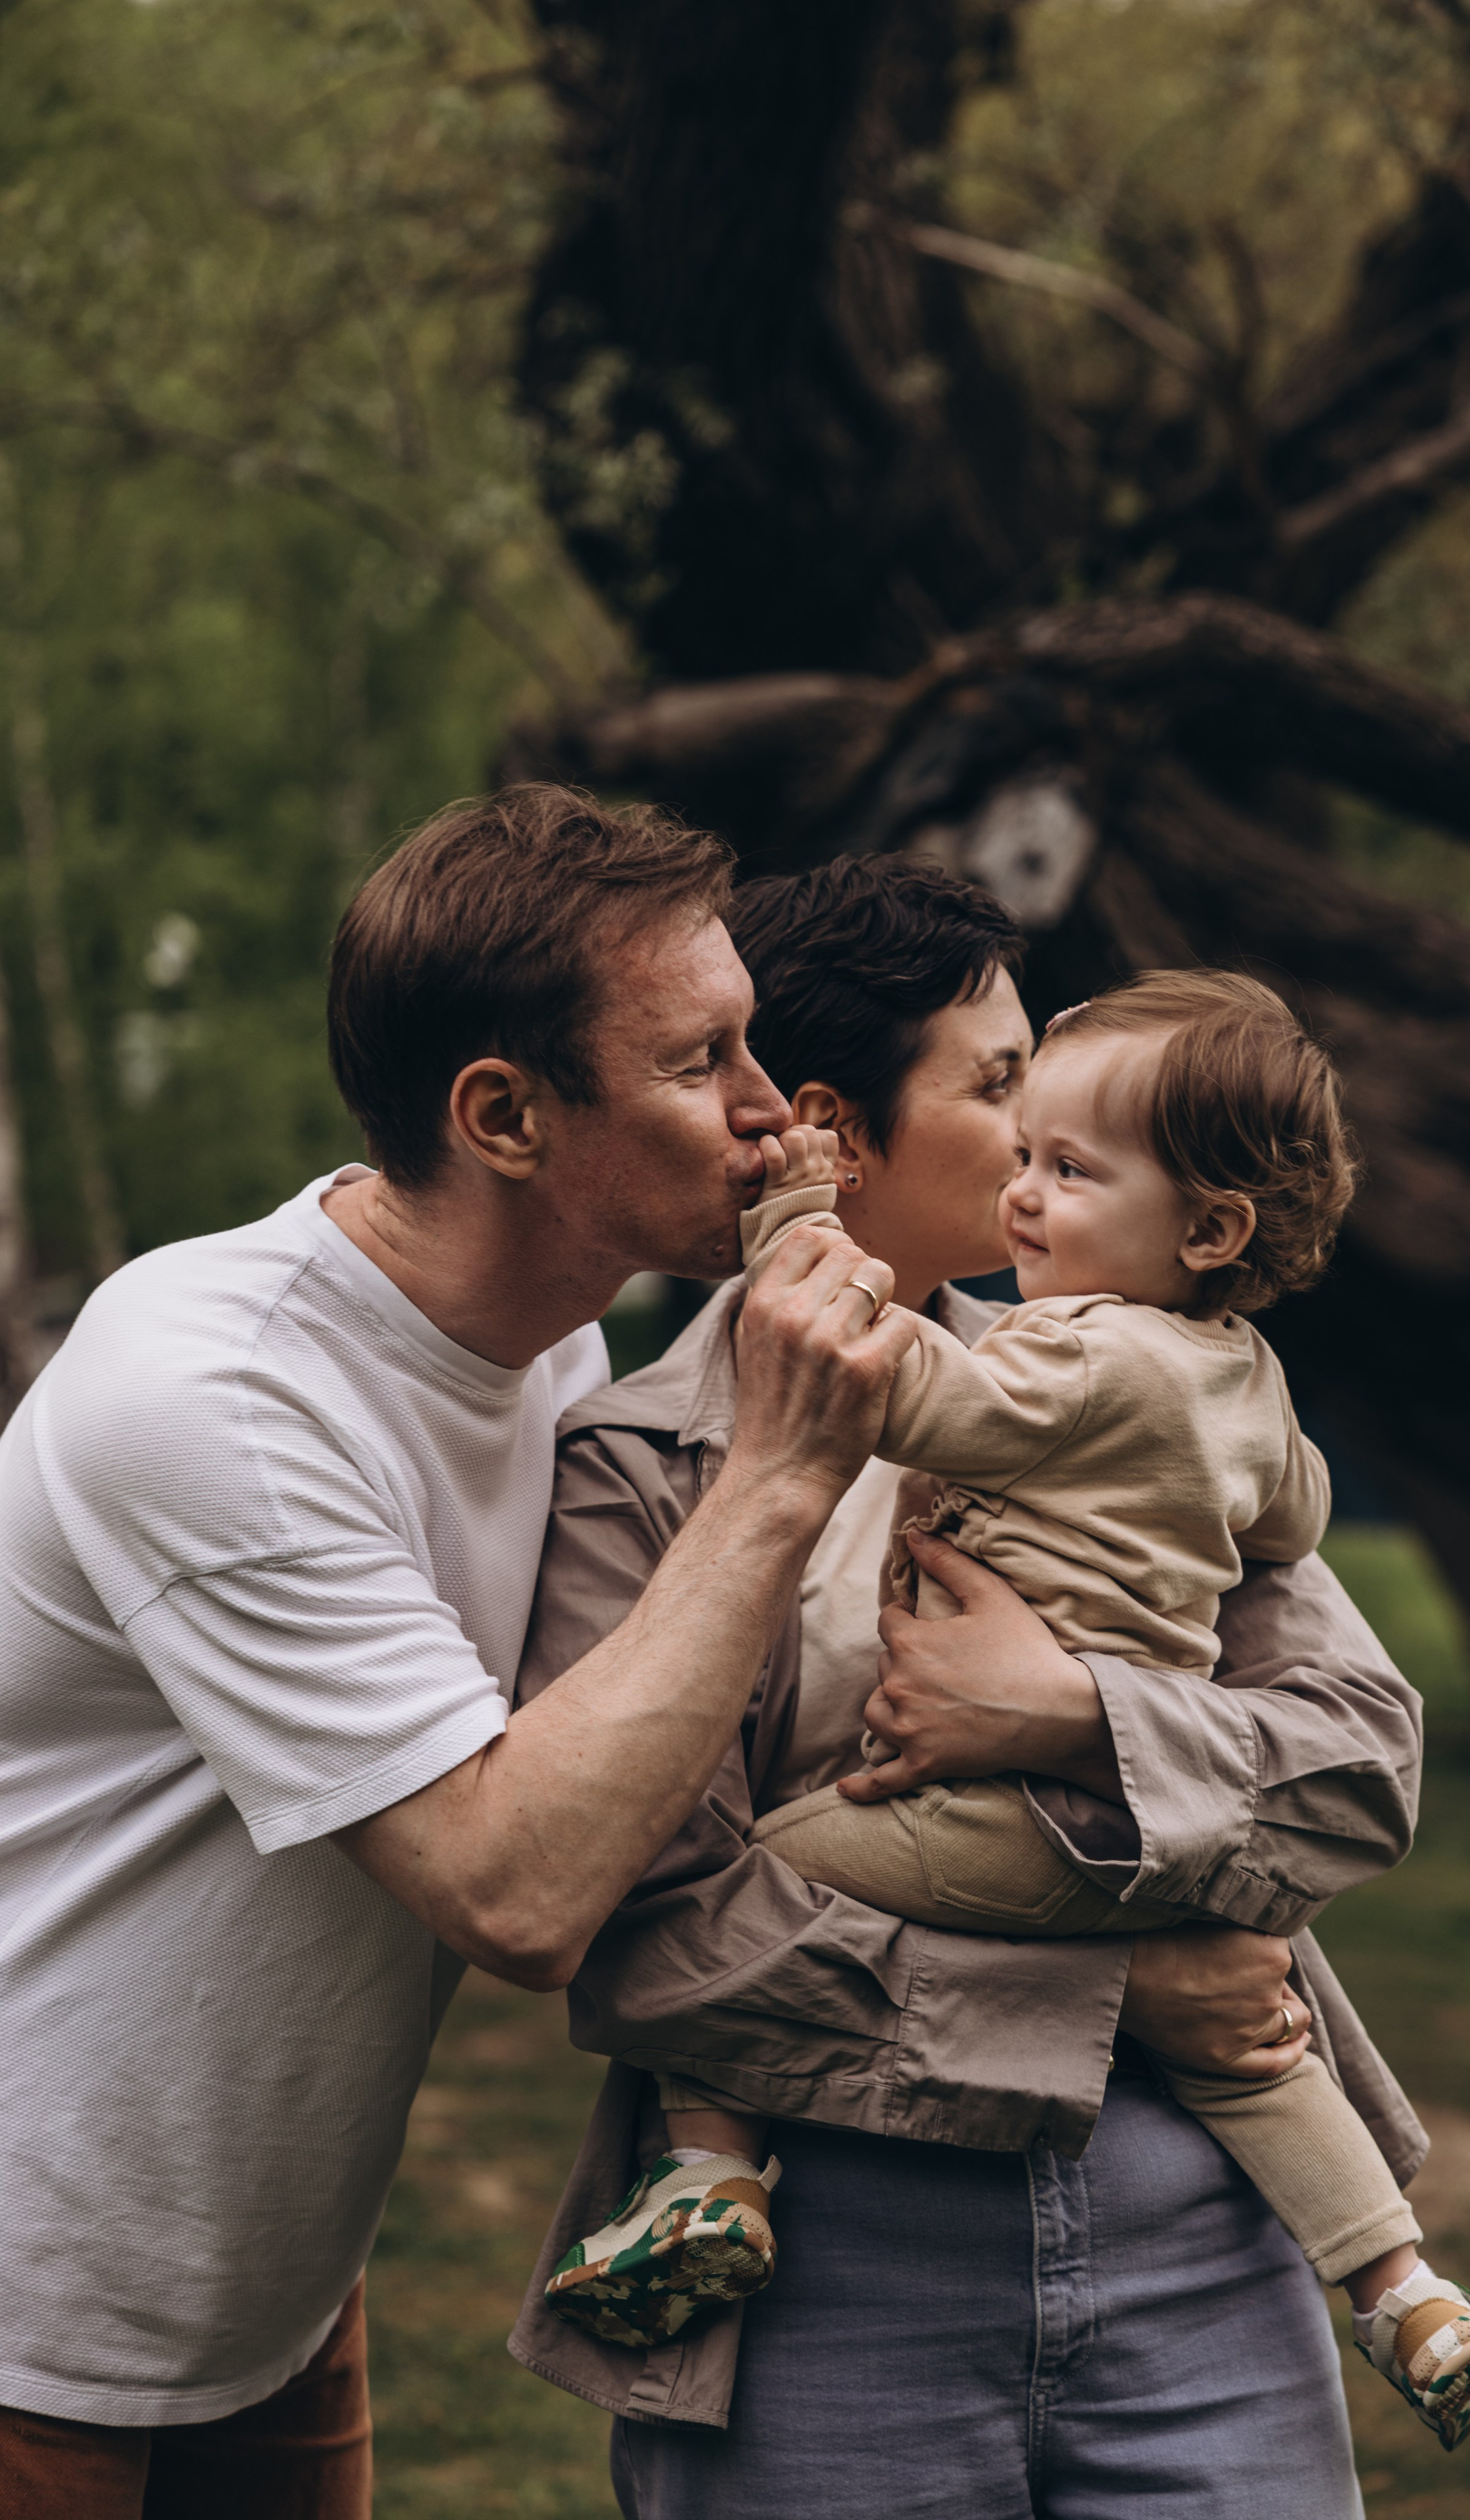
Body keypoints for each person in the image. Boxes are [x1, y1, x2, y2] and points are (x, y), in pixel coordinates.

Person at [0, 788, 917, 2518]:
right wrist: (787, 1471)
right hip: (36, 2293)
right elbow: (510, 1887)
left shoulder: (554, 1353)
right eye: (699, 1060)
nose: (766, 1112)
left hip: (268, 2291)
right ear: (502, 1115)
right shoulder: (216, 1394)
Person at [509, 858, 1431, 2519]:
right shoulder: (635, 1472)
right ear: (833, 1131)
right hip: (817, 2285)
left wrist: (1076, 1714)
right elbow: (653, 1936)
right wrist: (1119, 1990)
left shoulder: (1142, 1378)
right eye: (1000, 1087)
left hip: (1200, 2239)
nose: (1034, 1135)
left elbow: (1359, 1769)